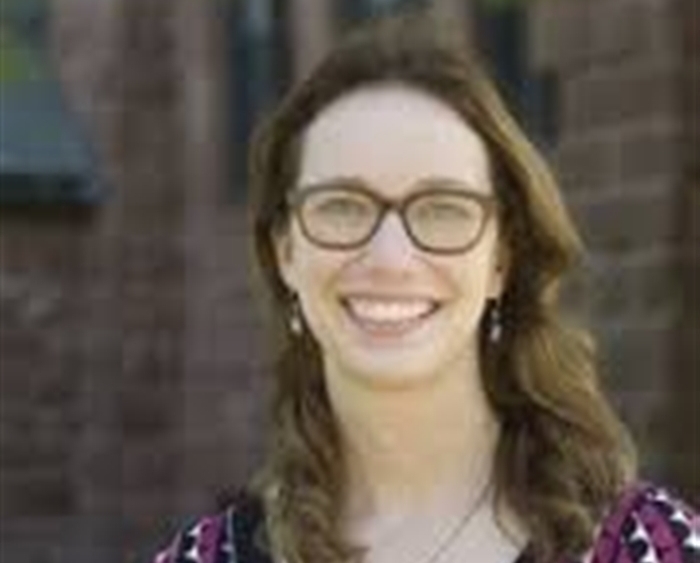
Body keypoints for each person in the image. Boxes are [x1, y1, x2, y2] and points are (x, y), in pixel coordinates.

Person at [152, 13, 698, 563]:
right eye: (343, 206)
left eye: (442, 209)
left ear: (501, 259)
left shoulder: (655, 548)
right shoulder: (206, 556)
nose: (391, 258)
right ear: (285, 253)